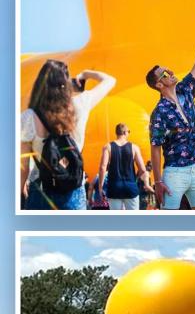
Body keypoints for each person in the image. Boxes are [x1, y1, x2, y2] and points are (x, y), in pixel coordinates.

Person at [147, 5, 195, 210]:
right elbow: (155, 147)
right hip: (174, 172)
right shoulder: (159, 112)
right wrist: (158, 181)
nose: (170, 72)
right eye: (165, 74)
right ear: (159, 85)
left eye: (168, 69)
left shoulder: (186, 90)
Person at [20, 61, 116, 210]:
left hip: (41, 189)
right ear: (66, 84)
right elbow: (110, 80)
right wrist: (85, 74)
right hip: (74, 190)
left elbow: (23, 167)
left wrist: (19, 193)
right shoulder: (81, 103)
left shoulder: (29, 117)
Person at [97, 123, 146, 210]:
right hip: (131, 187)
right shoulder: (134, 147)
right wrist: (135, 178)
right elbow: (142, 169)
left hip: (114, 188)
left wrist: (100, 186)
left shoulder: (107, 147)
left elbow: (102, 167)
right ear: (125, 132)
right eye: (129, 132)